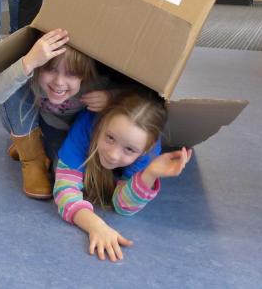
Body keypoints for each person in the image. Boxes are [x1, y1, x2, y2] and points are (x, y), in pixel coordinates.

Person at [54, 91, 192, 262]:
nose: (113, 155)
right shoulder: (85, 128)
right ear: (102, 124)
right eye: (110, 138)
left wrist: (149, 174)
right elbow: (64, 189)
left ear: (146, 150)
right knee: (52, 158)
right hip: (60, 129)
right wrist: (95, 226)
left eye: (129, 149)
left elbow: (123, 207)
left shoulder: (147, 151)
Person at [0, 28, 118, 199]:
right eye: (50, 69)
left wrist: (111, 98)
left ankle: (30, 147)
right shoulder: (33, 74)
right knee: (13, 87)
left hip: (65, 134)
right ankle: (32, 159)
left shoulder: (94, 84)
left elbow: (135, 96)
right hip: (35, 124)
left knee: (67, 175)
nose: (59, 82)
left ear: (84, 76)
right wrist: (29, 62)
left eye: (71, 73)